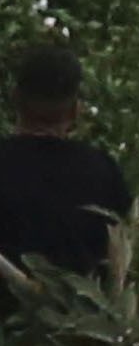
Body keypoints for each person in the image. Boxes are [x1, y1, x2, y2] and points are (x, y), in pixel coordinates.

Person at [0, 46, 129, 278]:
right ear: (75, 110)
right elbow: (116, 262)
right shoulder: (103, 172)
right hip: (80, 311)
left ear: (15, 98)